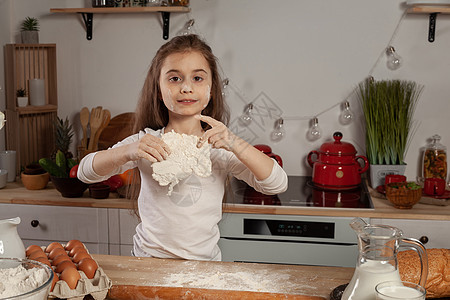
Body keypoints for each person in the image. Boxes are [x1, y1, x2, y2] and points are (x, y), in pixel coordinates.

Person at [78, 34, 288, 261]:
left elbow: (276, 184)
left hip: (203, 266)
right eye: (175, 79)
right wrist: (128, 151)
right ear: (159, 90)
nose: (186, 87)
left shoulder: (219, 146)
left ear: (211, 88)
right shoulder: (146, 142)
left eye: (197, 78)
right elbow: (85, 172)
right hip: (147, 263)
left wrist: (235, 143)